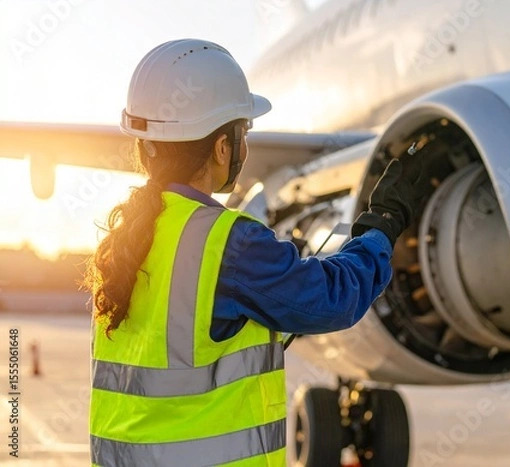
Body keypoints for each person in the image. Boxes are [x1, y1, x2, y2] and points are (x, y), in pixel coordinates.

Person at [86, 39, 418, 467]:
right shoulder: (228, 242)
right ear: (223, 146)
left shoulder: (121, 240)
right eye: (243, 133)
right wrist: (382, 224)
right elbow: (335, 299)